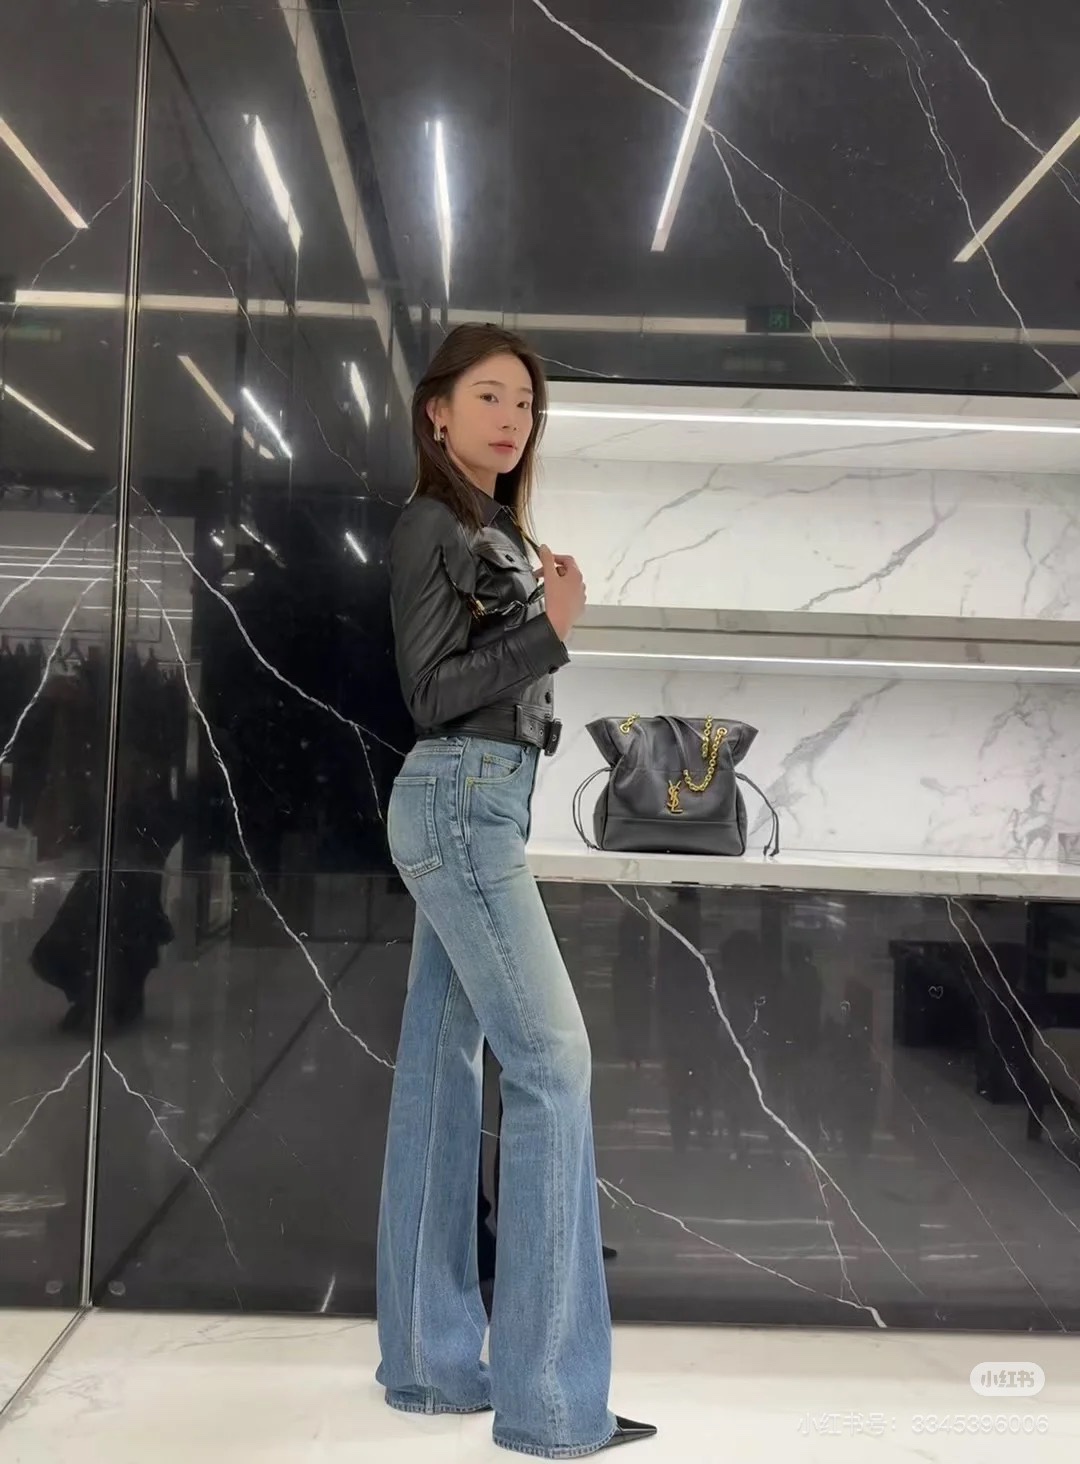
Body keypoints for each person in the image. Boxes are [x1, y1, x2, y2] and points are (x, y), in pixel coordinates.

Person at [376, 323, 656, 1458]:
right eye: (488, 396)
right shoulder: (431, 523)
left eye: (527, 403)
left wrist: (539, 607)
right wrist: (552, 628)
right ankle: (549, 1403)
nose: (511, 418)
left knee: (443, 1077)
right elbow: (431, 691)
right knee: (551, 1065)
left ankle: (432, 1367)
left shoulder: (488, 529)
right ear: (436, 410)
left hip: (478, 803)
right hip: (459, 800)